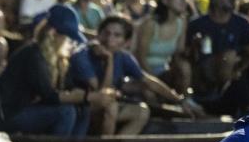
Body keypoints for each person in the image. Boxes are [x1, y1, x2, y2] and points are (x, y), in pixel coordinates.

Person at [66, 16, 196, 135]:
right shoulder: (83, 56)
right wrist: (109, 60)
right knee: (111, 106)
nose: (109, 39)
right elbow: (101, 94)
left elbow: (148, 81)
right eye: (106, 33)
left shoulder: (123, 56)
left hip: (106, 106)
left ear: (126, 42)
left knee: (142, 111)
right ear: (98, 35)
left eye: (117, 35)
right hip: (82, 107)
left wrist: (179, 100)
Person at [0, 5, 100, 136]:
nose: (68, 42)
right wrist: (86, 96)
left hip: (28, 109)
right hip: (10, 114)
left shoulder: (55, 56)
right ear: (53, 33)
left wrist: (83, 95)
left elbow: (66, 86)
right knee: (66, 112)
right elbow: (49, 95)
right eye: (65, 37)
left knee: (83, 108)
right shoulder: (33, 54)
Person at [187, 0, 249, 99]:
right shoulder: (197, 24)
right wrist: (194, 46)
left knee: (229, 56)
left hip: (231, 72)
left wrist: (239, 69)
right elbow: (186, 54)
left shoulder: (241, 23)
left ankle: (225, 94)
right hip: (204, 73)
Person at [135, 0, 192, 95]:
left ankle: (186, 101)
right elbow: (140, 57)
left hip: (164, 70)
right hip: (144, 71)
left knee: (185, 67)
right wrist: (156, 82)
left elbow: (178, 53)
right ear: (165, 0)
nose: (183, 0)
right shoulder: (151, 24)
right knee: (150, 93)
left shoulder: (182, 22)